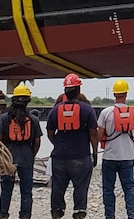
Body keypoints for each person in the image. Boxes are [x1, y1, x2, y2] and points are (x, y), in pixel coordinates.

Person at [46, 74, 99, 219]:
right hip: (81, 156)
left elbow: (50, 132)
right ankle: (79, 212)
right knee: (81, 187)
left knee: (57, 188)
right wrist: (94, 152)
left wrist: (58, 144)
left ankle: (57, 212)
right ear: (79, 89)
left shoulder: (55, 110)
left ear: (65, 90)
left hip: (59, 157)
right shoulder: (87, 110)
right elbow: (93, 133)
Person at [97, 79, 134, 219]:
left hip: (109, 157)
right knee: (129, 188)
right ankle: (132, 215)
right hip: (127, 157)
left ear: (114, 94)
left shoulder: (106, 112)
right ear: (125, 94)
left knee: (108, 189)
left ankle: (110, 216)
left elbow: (99, 134)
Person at [0, 82, 42, 219]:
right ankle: (25, 215)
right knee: (26, 190)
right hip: (26, 156)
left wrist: (1, 155)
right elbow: (37, 142)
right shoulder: (33, 119)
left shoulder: (4, 118)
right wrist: (31, 155)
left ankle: (3, 214)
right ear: (28, 101)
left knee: (6, 189)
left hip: (9, 156)